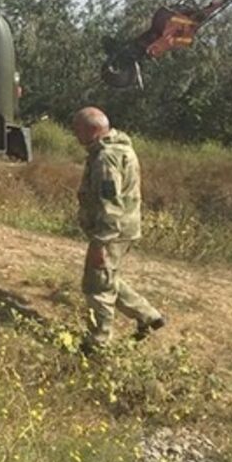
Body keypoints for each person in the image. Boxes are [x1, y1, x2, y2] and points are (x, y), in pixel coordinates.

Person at [72, 106, 165, 355]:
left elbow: (110, 203)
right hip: (125, 228)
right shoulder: (120, 148)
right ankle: (148, 316)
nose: (75, 134)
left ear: (92, 130)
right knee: (107, 276)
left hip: (112, 231)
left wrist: (100, 243)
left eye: (78, 129)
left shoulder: (106, 158)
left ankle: (97, 344)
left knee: (97, 287)